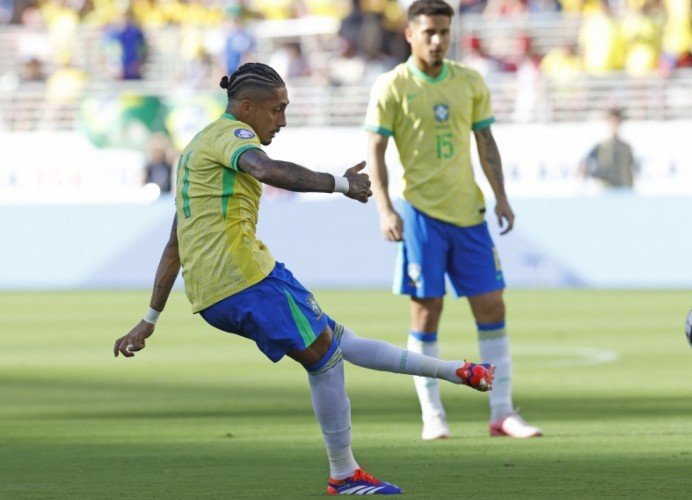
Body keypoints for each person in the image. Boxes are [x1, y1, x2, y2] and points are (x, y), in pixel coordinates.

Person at [112, 62, 494, 496]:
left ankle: (456, 372)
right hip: (245, 281)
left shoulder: (195, 151)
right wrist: (341, 184)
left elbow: (175, 243)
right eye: (276, 109)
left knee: (339, 342)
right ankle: (344, 474)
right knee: (326, 359)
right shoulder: (232, 137)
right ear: (246, 106)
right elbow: (266, 170)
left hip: (225, 289)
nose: (283, 120)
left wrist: (150, 317)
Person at [365, 0, 542, 441]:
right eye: (428, 32)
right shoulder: (392, 86)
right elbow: (375, 152)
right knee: (427, 313)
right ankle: (433, 415)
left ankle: (501, 412)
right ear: (410, 33)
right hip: (421, 214)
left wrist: (501, 196)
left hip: (470, 215)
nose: (438, 40)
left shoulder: (469, 81)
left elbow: (486, 141)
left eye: (444, 32)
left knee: (492, 306)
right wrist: (385, 207)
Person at [579, 107, 636, 188]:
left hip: (624, 190)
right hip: (606, 190)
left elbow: (632, 168)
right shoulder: (600, 146)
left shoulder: (626, 147)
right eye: (612, 122)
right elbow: (584, 164)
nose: (614, 125)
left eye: (617, 122)